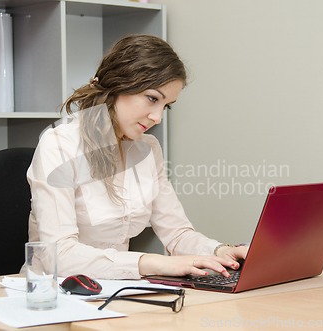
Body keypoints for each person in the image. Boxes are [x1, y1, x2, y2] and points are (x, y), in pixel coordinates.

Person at [27, 34, 249, 280]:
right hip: (52, 294)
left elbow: (176, 233)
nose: (157, 117)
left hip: (115, 291)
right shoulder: (59, 145)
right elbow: (58, 255)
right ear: (118, 86)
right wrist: (150, 262)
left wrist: (222, 251)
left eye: (166, 105)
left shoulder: (148, 149)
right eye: (152, 99)